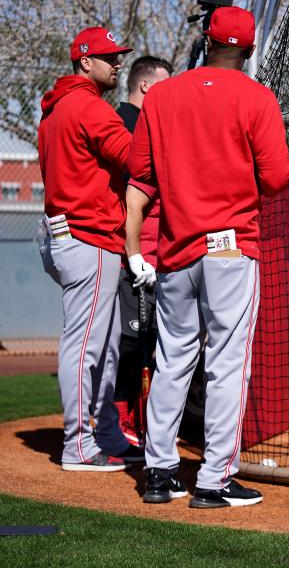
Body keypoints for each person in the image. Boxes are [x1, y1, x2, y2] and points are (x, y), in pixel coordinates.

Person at [126, 6, 289, 506]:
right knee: (226, 364)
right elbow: (278, 178)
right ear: (247, 48)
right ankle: (213, 480)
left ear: (206, 39)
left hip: (175, 248)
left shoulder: (162, 95)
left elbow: (141, 174)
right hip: (231, 248)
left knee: (172, 360)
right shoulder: (258, 97)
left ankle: (158, 474)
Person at [37, 26, 139, 470]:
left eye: (119, 56)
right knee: (84, 346)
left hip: (72, 234)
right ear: (84, 61)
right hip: (88, 234)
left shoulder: (56, 107)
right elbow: (138, 159)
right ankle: (78, 442)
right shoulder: (89, 108)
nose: (118, 62)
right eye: (109, 56)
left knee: (108, 343)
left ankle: (107, 433)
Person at [113, 56, 173, 446]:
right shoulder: (126, 123)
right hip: (132, 248)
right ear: (147, 86)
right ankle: (121, 422)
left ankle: (136, 421)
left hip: (151, 249)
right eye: (166, 84)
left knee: (147, 341)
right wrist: (135, 254)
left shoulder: (144, 123)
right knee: (131, 341)